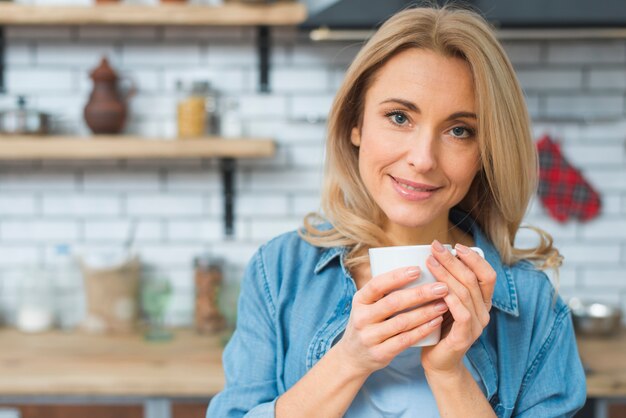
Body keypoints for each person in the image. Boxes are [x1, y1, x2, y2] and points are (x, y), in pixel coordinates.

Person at [207, 5, 586, 418]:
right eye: (399, 117)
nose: (423, 159)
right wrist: (350, 359)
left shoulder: (533, 305)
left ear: (485, 152)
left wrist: (448, 373)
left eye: (459, 130)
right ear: (356, 124)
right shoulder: (280, 272)